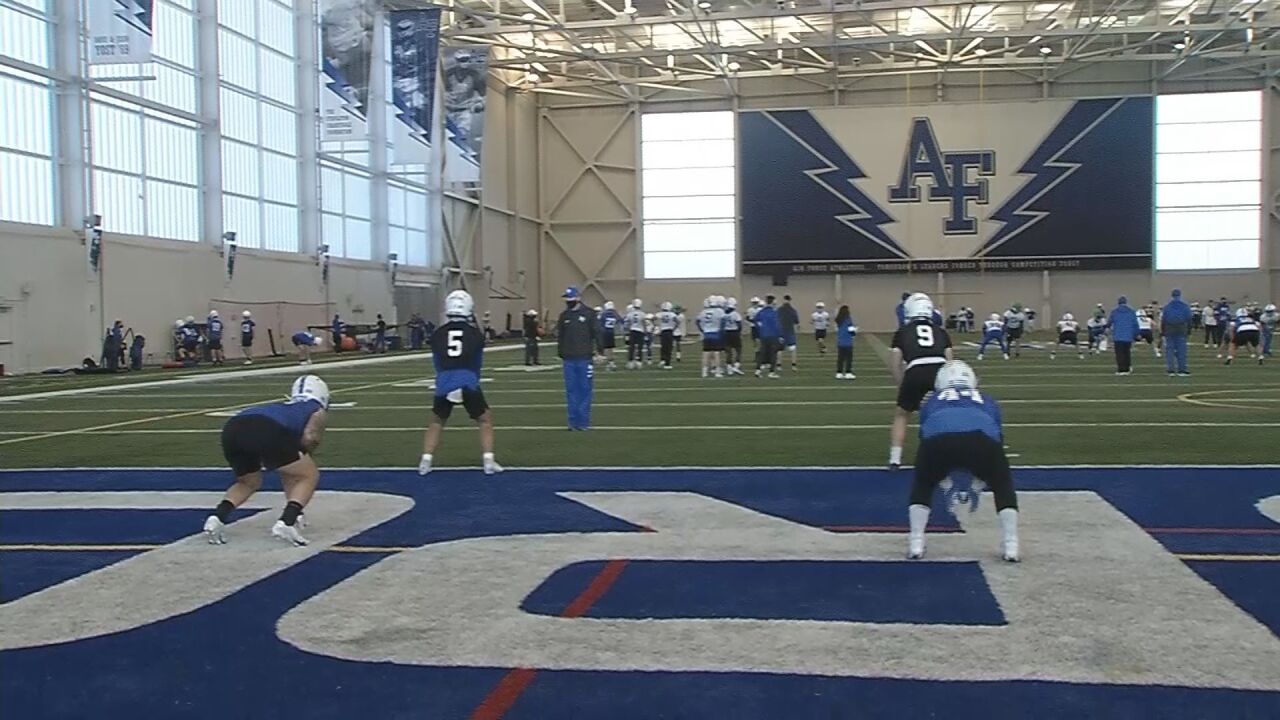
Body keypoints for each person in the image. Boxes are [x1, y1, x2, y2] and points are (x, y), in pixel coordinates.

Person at [907, 360, 1020, 562]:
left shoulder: (932, 400)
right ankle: (1011, 544)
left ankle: (916, 542)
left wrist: (941, 476)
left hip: (938, 440)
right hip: (981, 439)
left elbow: (925, 433)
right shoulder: (986, 399)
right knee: (1003, 484)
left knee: (923, 483)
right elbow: (997, 437)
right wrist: (980, 478)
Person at [203, 375, 330, 546]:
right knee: (309, 475)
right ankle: (287, 522)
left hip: (233, 427)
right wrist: (307, 456)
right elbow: (310, 437)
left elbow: (287, 471)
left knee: (248, 482)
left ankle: (217, 517)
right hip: (265, 429)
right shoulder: (315, 408)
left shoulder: (285, 407)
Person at [418, 290, 503, 476]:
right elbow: (476, 360)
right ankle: (488, 460)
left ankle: (425, 461)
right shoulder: (475, 334)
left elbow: (437, 361)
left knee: (436, 421)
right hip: (466, 379)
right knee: (485, 419)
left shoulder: (438, 334)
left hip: (444, 379)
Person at [888, 292, 953, 470]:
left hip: (916, 369)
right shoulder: (940, 331)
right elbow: (950, 362)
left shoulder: (902, 332)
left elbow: (895, 363)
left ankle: (895, 458)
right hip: (940, 370)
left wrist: (902, 384)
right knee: (942, 413)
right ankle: (944, 455)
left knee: (902, 414)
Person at [557, 286, 597, 431]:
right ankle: (572, 421)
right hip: (568, 359)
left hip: (585, 358)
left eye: (571, 298)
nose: (569, 301)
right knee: (571, 391)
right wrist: (561, 352)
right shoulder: (564, 316)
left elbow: (596, 333)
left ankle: (583, 421)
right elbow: (560, 336)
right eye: (567, 298)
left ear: (578, 298)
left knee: (585, 390)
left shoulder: (589, 314)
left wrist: (600, 352)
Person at [1161, 288, 1192, 377]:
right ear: (1180, 295)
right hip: (1181, 328)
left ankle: (1170, 370)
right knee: (1181, 350)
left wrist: (1163, 331)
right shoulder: (1185, 306)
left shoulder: (1167, 306)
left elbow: (1164, 320)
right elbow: (1189, 319)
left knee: (1169, 350)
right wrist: (1189, 330)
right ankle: (1181, 370)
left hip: (1169, 328)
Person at [1108, 296, 1138, 375]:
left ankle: (1121, 369)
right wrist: (1136, 334)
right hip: (1128, 335)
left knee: (1119, 353)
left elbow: (1109, 322)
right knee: (1127, 352)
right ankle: (1127, 368)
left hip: (1118, 335)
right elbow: (1135, 324)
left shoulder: (1114, 312)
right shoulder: (1131, 311)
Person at [697, 296, 726, 378]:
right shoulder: (719, 311)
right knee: (716, 353)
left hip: (706, 334)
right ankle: (717, 371)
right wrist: (721, 330)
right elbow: (723, 321)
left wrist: (702, 330)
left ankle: (704, 372)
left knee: (706, 353)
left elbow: (697, 321)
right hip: (715, 334)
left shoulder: (703, 312)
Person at [754, 295, 781, 378]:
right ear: (773, 302)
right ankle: (771, 372)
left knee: (762, 353)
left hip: (764, 335)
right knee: (773, 354)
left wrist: (761, 329)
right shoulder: (775, 313)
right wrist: (780, 335)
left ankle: (758, 370)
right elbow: (778, 325)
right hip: (773, 335)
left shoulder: (761, 312)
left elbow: (756, 321)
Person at [778, 295, 800, 371]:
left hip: (781, 332)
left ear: (783, 300)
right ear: (790, 300)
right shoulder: (793, 310)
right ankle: (793, 365)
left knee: (779, 350)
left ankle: (779, 365)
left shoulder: (779, 310)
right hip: (790, 332)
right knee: (793, 349)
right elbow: (796, 322)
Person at [834, 305, 857, 380]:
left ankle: (839, 373)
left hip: (840, 341)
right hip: (848, 342)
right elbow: (851, 330)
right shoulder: (848, 319)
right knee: (848, 358)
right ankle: (848, 372)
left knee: (840, 358)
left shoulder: (838, 321)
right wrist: (855, 331)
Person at [722, 297, 744, 375]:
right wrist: (739, 333)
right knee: (738, 350)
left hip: (726, 333)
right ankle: (736, 366)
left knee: (728, 351)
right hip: (734, 333)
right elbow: (739, 325)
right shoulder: (736, 314)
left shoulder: (724, 314)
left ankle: (729, 368)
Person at [598, 301, 621, 370]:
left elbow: (600, 323)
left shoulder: (604, 314)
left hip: (604, 332)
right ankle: (611, 362)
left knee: (606, 349)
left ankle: (609, 363)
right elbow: (620, 320)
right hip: (611, 332)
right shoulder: (615, 314)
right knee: (611, 349)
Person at [624, 299, 646, 370]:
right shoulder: (642, 314)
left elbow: (627, 323)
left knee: (631, 347)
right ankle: (639, 362)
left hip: (632, 330)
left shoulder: (630, 314)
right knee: (640, 347)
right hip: (640, 331)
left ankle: (630, 362)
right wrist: (645, 331)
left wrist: (627, 330)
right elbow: (644, 323)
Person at [656, 301, 678, 370]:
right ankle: (667, 363)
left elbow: (652, 318)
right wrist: (674, 328)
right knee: (669, 348)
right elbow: (677, 321)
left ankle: (662, 359)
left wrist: (656, 326)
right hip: (669, 331)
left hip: (663, 331)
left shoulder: (660, 314)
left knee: (663, 347)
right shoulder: (672, 314)